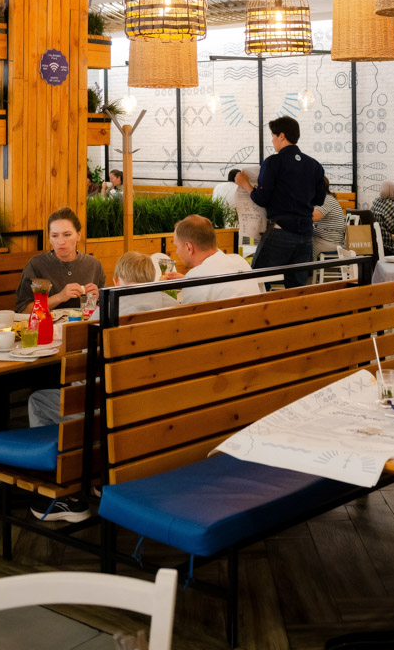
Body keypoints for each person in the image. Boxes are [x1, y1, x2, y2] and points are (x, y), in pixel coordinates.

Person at [26, 251, 175, 518]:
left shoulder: (107, 310)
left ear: (116, 281)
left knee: (39, 400)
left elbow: (85, 364)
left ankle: (66, 492)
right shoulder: (172, 306)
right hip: (158, 406)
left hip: (112, 411)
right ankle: (99, 476)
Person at [234, 116, 326, 288]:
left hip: (280, 231)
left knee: (257, 282)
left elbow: (261, 198)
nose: (272, 140)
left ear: (282, 136)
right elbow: (319, 199)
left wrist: (245, 184)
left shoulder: (273, 162)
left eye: (273, 136)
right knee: (297, 288)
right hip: (306, 232)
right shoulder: (314, 165)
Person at [15, 208, 105, 313]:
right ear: (49, 238)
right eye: (54, 236)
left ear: (78, 235)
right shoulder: (36, 265)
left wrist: (98, 298)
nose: (61, 242)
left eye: (67, 235)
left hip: (85, 323)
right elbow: (24, 310)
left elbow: (104, 306)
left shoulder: (93, 265)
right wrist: (60, 297)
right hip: (47, 322)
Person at [165, 215, 263, 302]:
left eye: (177, 246)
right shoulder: (239, 260)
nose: (177, 252)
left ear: (189, 247)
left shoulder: (195, 280)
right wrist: (186, 281)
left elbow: (188, 316)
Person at [312, 177, 347, 258]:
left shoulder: (326, 200)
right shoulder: (323, 199)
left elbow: (313, 217)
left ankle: (308, 266)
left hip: (330, 242)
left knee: (303, 245)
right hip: (324, 239)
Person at [371, 182, 394, 256]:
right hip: (388, 243)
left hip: (375, 241)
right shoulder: (392, 207)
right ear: (393, 192)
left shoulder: (376, 202)